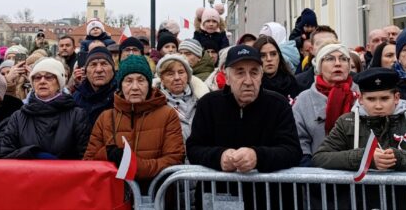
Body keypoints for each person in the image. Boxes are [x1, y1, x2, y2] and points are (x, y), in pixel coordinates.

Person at [187, 45, 301, 207]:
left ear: (261, 76)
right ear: (226, 77)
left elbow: (292, 150)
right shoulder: (209, 104)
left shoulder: (278, 104)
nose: (248, 81)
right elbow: (194, 148)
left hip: (268, 200)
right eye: (240, 72)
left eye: (254, 72)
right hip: (220, 197)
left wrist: (257, 156)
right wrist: (220, 157)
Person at [314, 67, 406, 170]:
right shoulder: (347, 122)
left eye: (384, 98)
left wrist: (400, 158)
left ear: (396, 98)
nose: (378, 105)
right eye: (371, 99)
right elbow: (320, 157)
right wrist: (364, 157)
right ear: (361, 99)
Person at [84, 55, 184, 190]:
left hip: (155, 199)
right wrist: (107, 153)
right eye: (128, 81)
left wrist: (132, 165)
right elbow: (88, 163)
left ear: (149, 84)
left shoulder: (167, 115)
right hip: (114, 198)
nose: (135, 87)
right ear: (121, 85)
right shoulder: (105, 118)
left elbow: (173, 160)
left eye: (141, 80)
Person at [0, 58, 89, 160]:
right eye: (37, 78)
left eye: (49, 77)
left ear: (59, 82)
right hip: (28, 182)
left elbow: (84, 157)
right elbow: (5, 149)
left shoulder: (77, 115)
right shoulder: (19, 116)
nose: (42, 81)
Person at [293, 42, 357, 165]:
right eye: (330, 59)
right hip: (318, 172)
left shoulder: (362, 95)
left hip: (357, 173)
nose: (338, 63)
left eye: (343, 59)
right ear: (319, 66)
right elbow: (300, 139)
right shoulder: (304, 99)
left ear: (349, 66)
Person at [153, 54, 209, 141]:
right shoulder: (154, 104)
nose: (177, 78)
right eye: (170, 74)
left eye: (181, 72)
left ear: (188, 75)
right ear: (162, 79)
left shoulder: (203, 101)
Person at [73, 47, 117, 127]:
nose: (99, 70)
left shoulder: (121, 96)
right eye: (93, 64)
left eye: (104, 64)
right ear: (86, 71)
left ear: (113, 70)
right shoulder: (76, 98)